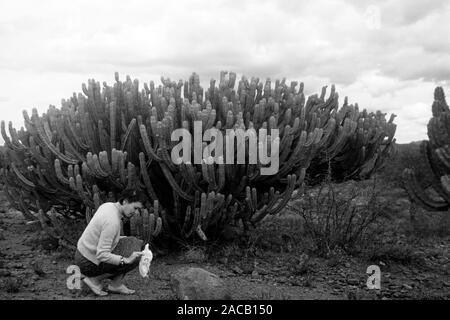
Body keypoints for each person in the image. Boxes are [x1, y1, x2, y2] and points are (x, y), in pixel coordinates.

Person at [74, 190, 144, 296]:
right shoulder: (112, 221)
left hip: (83, 253)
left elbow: (104, 236)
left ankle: (116, 285)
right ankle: (94, 280)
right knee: (134, 255)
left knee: (134, 243)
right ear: (125, 202)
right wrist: (126, 260)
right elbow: (102, 254)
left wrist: (128, 241)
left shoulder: (108, 206)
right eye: (135, 208)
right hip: (87, 262)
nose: (136, 212)